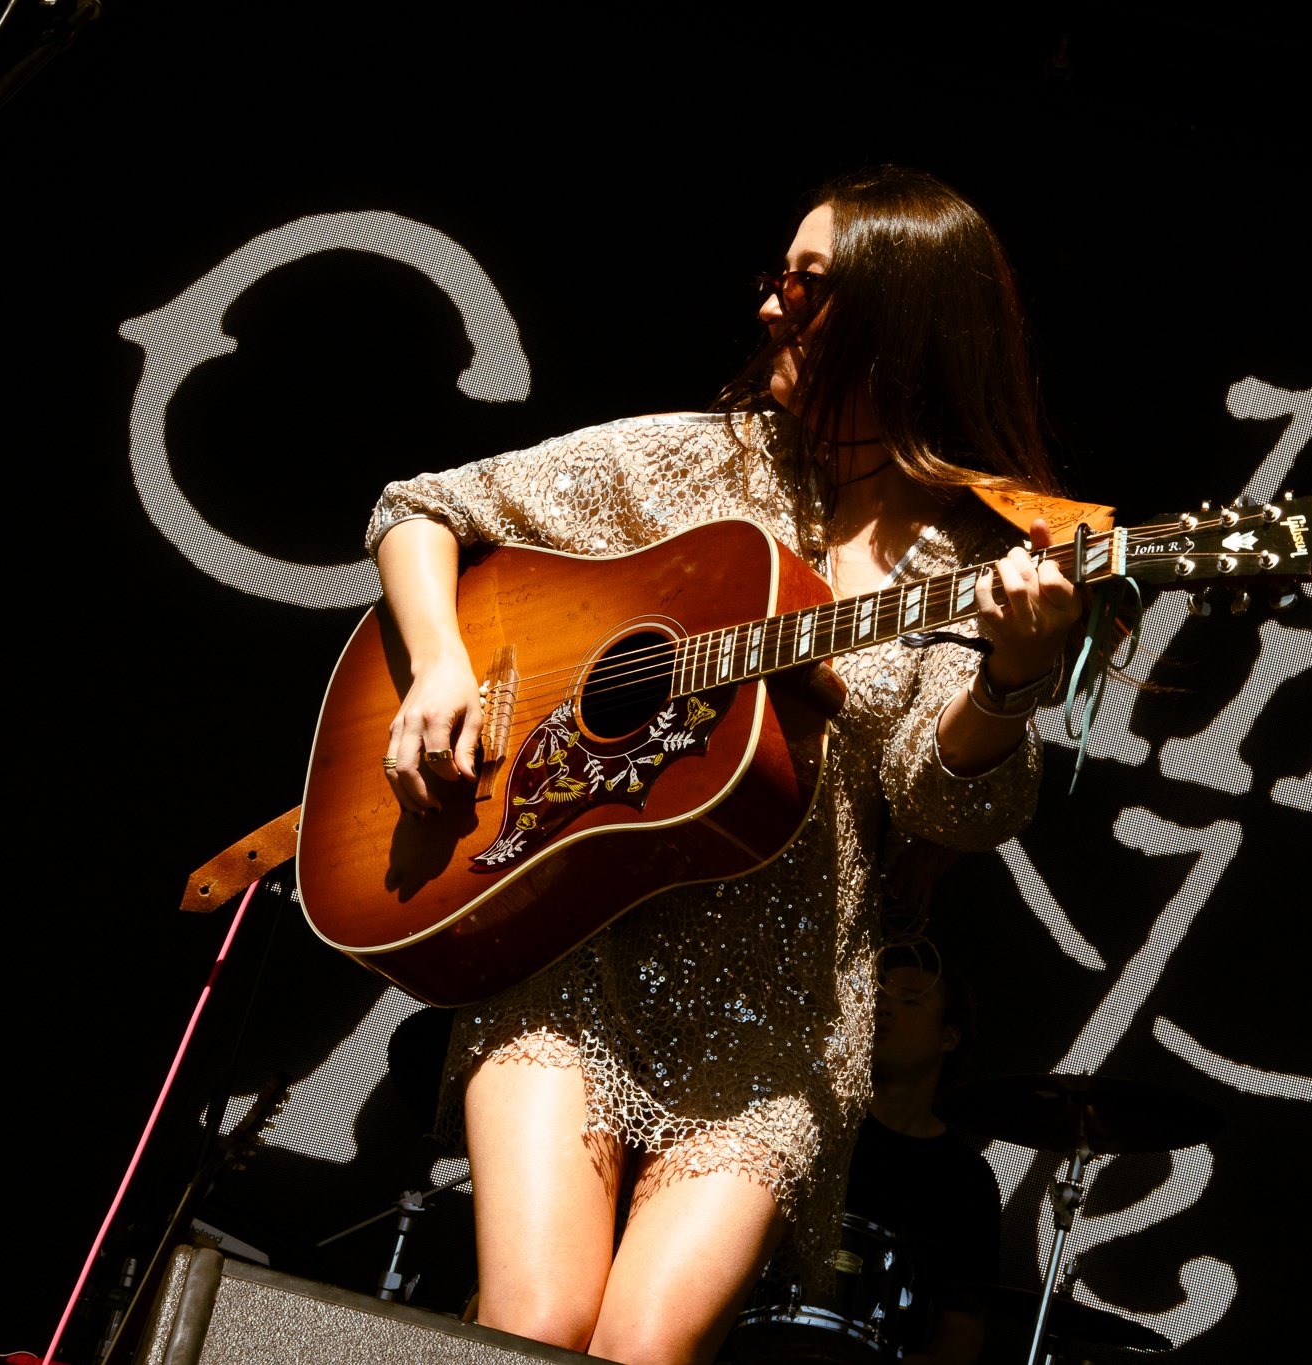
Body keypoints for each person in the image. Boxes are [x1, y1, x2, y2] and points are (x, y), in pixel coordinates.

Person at [367, 166, 1084, 1365]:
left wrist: (1007, 684)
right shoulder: (691, 466)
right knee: (534, 1325)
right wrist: (440, 667)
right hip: (580, 964)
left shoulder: (973, 553)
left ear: (902, 317)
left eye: (809, 288)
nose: (768, 310)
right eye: (775, 280)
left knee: (640, 1353)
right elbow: (420, 507)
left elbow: (938, 798)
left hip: (779, 1024)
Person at [843, 949, 1001, 1365]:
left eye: (909, 999)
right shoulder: (816, 1129)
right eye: (879, 997)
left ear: (949, 1037)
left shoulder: (967, 1179)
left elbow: (963, 1324)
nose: (884, 1009)